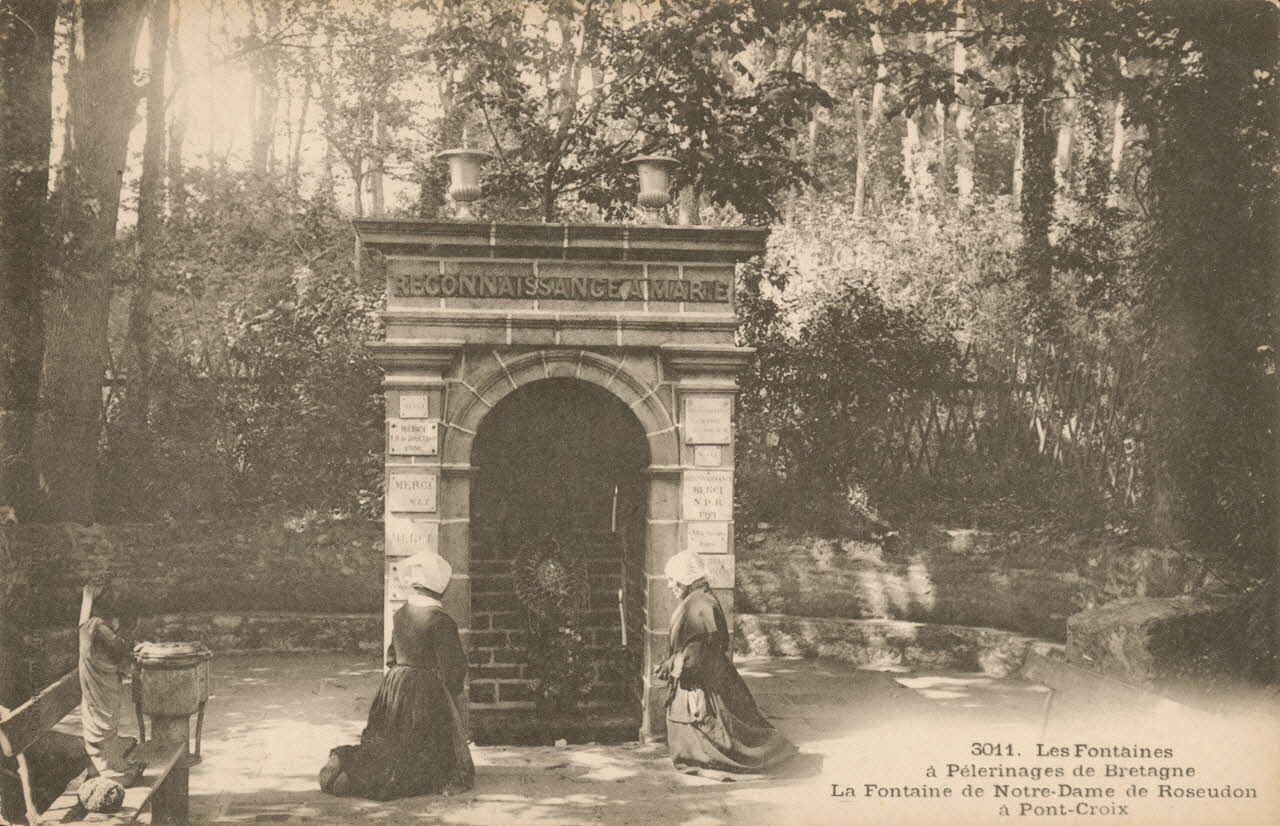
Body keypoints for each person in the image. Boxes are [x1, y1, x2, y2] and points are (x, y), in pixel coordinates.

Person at [320, 551, 474, 800]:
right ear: (440, 589)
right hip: (425, 689)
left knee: (388, 743)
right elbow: (453, 666)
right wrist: (451, 695)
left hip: (395, 685)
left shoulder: (401, 614)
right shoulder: (442, 621)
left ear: (416, 586)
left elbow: (391, 656)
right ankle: (355, 781)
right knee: (422, 759)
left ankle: (346, 762)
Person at [657, 550, 798, 777]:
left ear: (686, 579)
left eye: (672, 579)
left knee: (728, 741)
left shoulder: (698, 605)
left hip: (706, 684)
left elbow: (695, 658)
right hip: (708, 678)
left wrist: (672, 664)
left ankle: (762, 754)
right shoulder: (698, 599)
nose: (669, 585)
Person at [77, 580, 143, 783]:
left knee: (107, 718)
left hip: (104, 683)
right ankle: (106, 762)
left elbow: (114, 646)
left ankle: (108, 754)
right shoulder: (97, 626)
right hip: (102, 686)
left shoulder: (90, 626)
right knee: (103, 720)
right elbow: (119, 647)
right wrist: (135, 646)